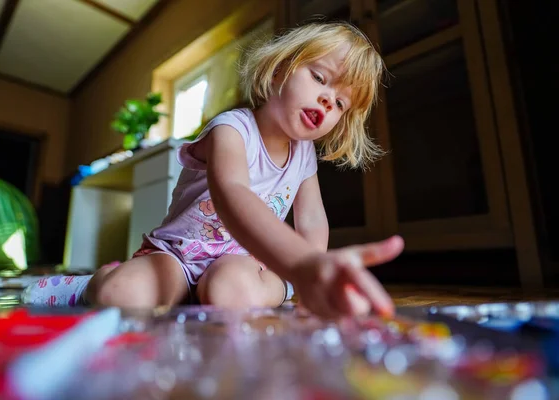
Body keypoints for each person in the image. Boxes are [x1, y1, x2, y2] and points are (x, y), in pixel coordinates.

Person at [22, 21, 405, 319]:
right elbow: (232, 194)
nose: (326, 98)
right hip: (177, 255)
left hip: (241, 264)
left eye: (339, 103)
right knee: (119, 297)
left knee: (231, 295)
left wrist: (312, 274)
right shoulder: (231, 128)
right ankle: (93, 281)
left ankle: (238, 289)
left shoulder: (304, 155)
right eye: (320, 78)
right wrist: (302, 264)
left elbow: (312, 220)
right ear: (278, 72)